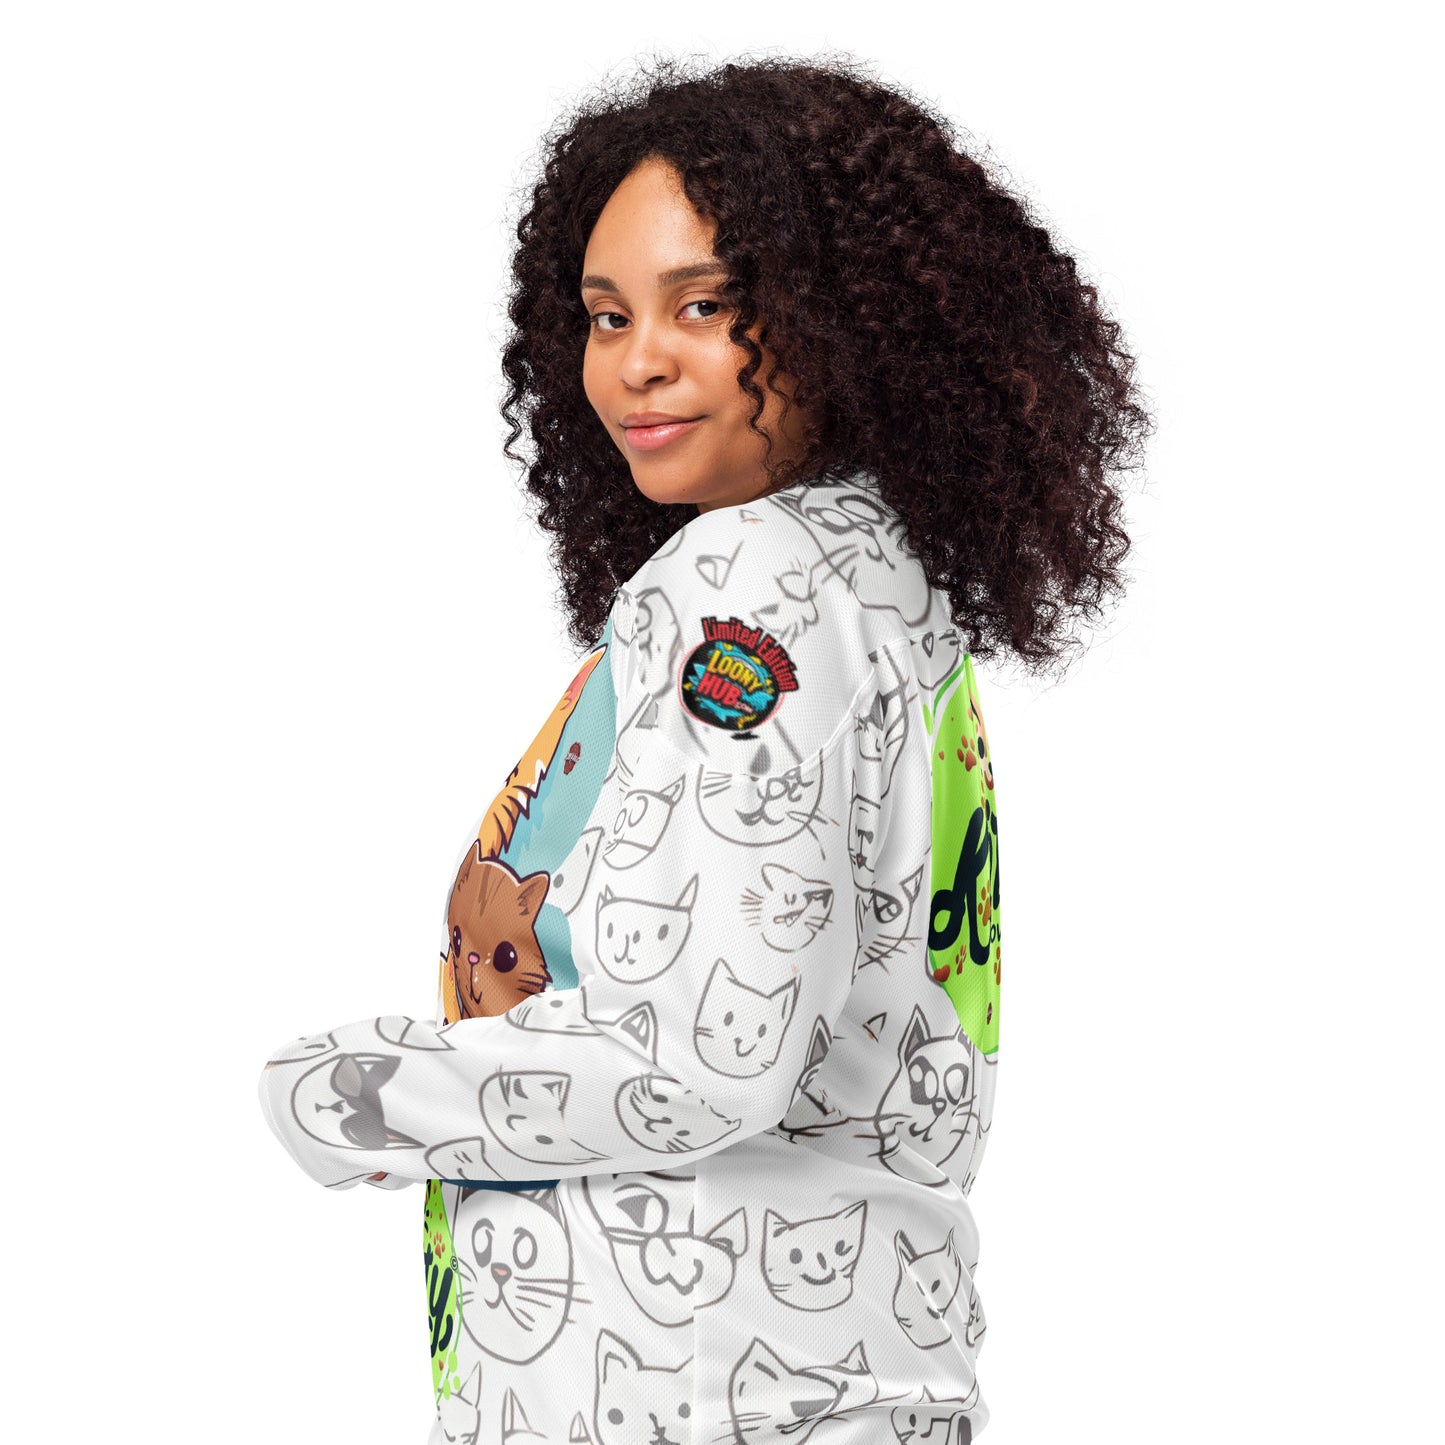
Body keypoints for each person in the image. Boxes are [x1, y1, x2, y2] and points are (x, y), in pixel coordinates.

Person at [258, 53, 1150, 1444]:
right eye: (606, 315)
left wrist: (346, 1094)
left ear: (847, 315)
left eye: (707, 305)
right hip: (828, 1370)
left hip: (698, 1392)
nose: (638, 362)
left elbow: (702, 1056)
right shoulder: (877, 585)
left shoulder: (748, 586)